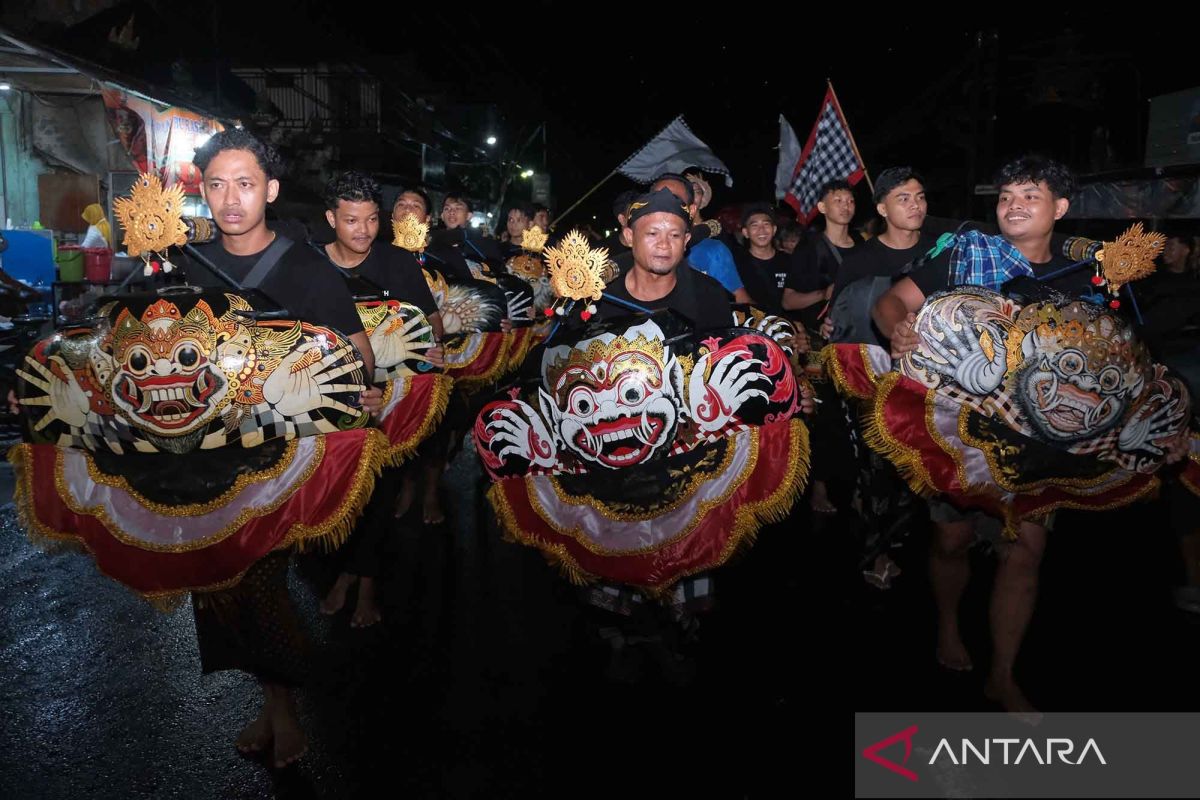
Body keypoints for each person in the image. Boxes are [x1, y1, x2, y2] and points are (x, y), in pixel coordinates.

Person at [190, 129, 382, 767]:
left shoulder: (306, 268)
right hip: (203, 461)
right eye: (217, 184)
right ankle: (271, 700)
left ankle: (287, 708)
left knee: (262, 580)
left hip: (280, 457)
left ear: (270, 190)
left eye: (245, 184)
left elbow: (356, 351)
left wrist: (360, 393)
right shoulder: (182, 268)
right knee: (220, 589)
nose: (230, 199)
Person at [871, 155, 1086, 715]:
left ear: (1059, 208)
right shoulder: (966, 258)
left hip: (1039, 438)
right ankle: (946, 625)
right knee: (953, 540)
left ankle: (1003, 675)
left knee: (1026, 549)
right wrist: (898, 325)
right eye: (1006, 196)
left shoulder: (1081, 276)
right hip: (955, 426)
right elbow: (891, 300)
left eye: (1029, 196)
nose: (1013, 204)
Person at [315, 171, 444, 627]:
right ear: (331, 218)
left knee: (377, 493)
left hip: (389, 401)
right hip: (326, 405)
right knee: (336, 496)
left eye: (371, 219)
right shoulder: (308, 267)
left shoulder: (397, 263)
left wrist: (430, 346)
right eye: (351, 220)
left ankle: (364, 585)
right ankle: (344, 574)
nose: (363, 230)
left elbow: (430, 321)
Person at [598, 186, 731, 330]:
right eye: (652, 234)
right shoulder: (599, 298)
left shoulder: (709, 295)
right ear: (630, 237)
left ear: (685, 241)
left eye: (674, 235)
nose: (664, 245)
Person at [782, 179, 860, 331]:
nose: (846, 206)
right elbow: (788, 301)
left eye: (851, 201)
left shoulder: (862, 244)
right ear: (822, 207)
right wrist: (823, 294)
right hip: (823, 335)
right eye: (838, 201)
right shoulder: (808, 247)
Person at [734, 203, 791, 313]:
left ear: (774, 229)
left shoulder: (789, 261)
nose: (761, 230)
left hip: (786, 325)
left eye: (766, 224)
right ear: (745, 232)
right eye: (754, 225)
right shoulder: (737, 264)